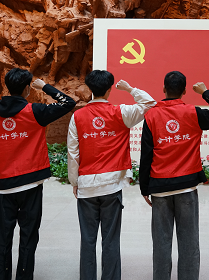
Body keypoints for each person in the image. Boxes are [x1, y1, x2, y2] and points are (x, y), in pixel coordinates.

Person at [0, 68, 75, 280]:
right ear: (27, 88)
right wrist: (44, 87)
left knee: (3, 238)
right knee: (28, 237)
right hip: (31, 185)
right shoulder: (35, 111)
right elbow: (68, 103)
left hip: (5, 186)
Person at [139, 71, 209, 280]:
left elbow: (146, 155)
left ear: (164, 89)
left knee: (161, 244)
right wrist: (205, 92)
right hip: (187, 187)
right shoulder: (193, 113)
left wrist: (144, 187)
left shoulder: (151, 115)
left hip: (160, 188)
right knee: (189, 243)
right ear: (184, 91)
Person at [67, 70, 156, 280]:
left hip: (87, 186)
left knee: (88, 241)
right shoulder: (121, 112)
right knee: (111, 240)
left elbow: (73, 152)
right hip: (112, 186)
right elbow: (149, 103)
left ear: (90, 89)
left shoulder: (77, 116)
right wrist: (130, 89)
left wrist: (74, 181)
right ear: (109, 90)